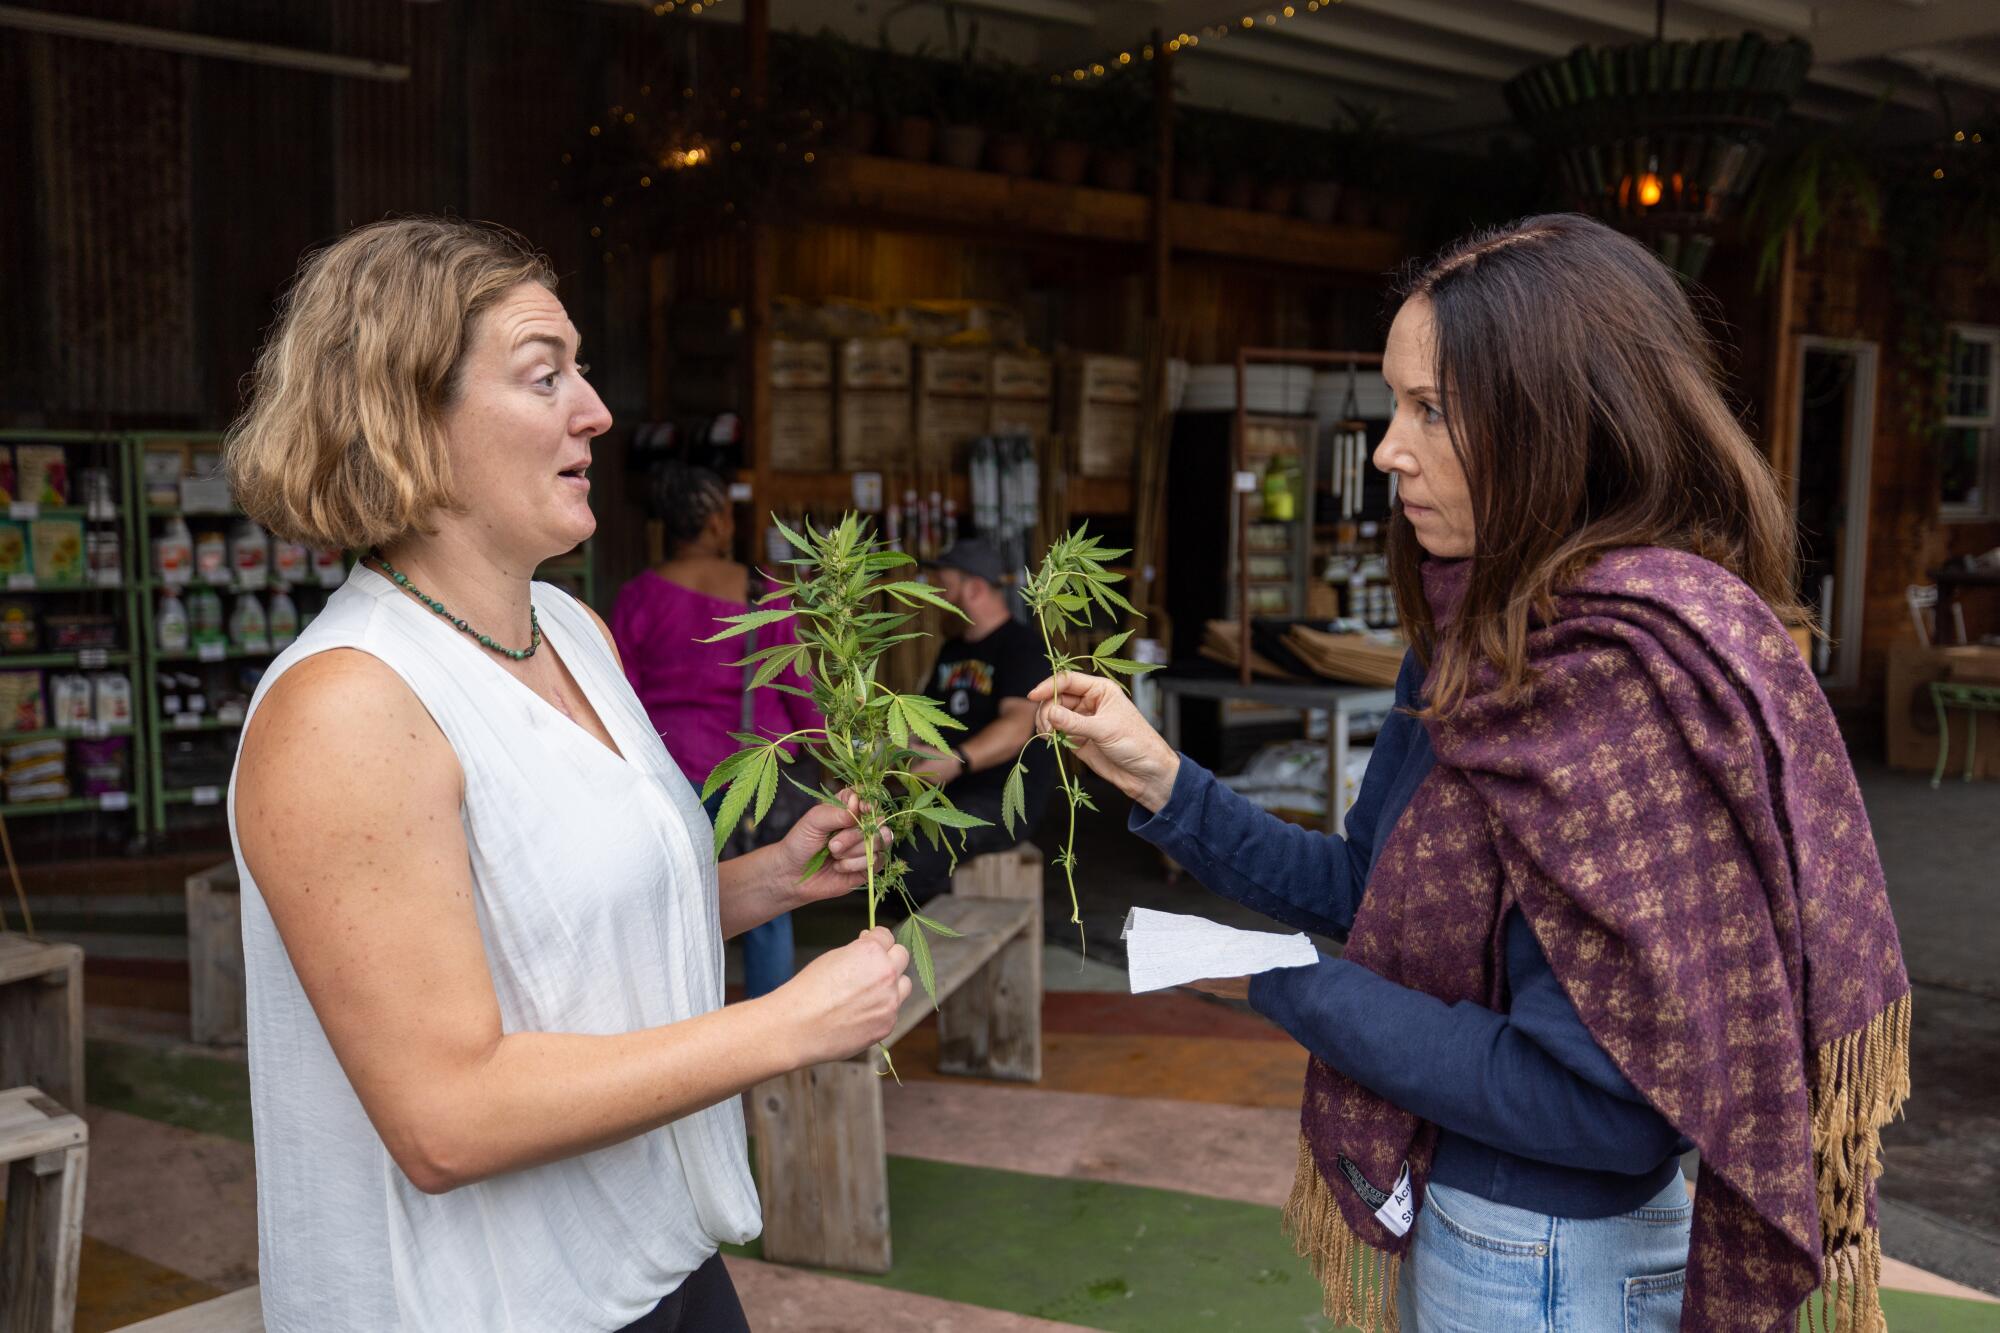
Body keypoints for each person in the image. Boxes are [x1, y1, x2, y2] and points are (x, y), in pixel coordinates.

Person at [1030, 214, 1909, 1333]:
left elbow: (1606, 1109)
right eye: (1393, 401)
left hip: (1548, 1266)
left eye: (1430, 410)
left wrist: (1296, 984)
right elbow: (1369, 885)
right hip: (1478, 1226)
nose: (1389, 448)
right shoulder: (1475, 637)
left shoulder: (1622, 680)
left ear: (1559, 424)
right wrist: (1161, 778)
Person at [223, 216, 911, 1332]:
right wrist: (785, 1024)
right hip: (492, 1300)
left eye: (582, 373)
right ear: (404, 415)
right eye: (545, 376)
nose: (594, 410)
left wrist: (769, 883)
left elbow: (556, 937)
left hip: (651, 1251)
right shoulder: (346, 706)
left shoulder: (568, 628)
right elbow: (446, 1117)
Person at [610, 461, 822, 997]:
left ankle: (684, 1029)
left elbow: (621, 695)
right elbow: (798, 687)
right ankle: (772, 1038)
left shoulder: (637, 597)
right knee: (769, 905)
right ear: (716, 522)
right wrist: (825, 742)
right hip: (755, 772)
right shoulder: (761, 591)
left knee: (673, 906)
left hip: (668, 775)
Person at [899, 536, 1055, 901]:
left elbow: (1018, 726)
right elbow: (931, 719)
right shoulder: (952, 650)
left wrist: (955, 762)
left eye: (944, 588)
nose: (936, 599)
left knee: (915, 857)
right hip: (950, 791)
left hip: (1002, 800)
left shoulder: (1022, 646)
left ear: (974, 588)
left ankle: (942, 941)